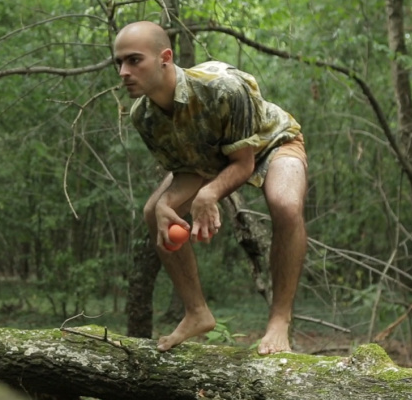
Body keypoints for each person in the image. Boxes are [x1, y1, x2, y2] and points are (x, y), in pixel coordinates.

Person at [113, 21, 308, 355]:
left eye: (134, 60)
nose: (123, 72)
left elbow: (244, 163)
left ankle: (279, 321)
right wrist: (167, 204)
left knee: (285, 205)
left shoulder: (223, 88)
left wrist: (210, 193)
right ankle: (196, 312)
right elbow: (189, 170)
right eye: (118, 63)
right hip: (214, 159)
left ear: (165, 57)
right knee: (154, 211)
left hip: (271, 143)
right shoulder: (143, 116)